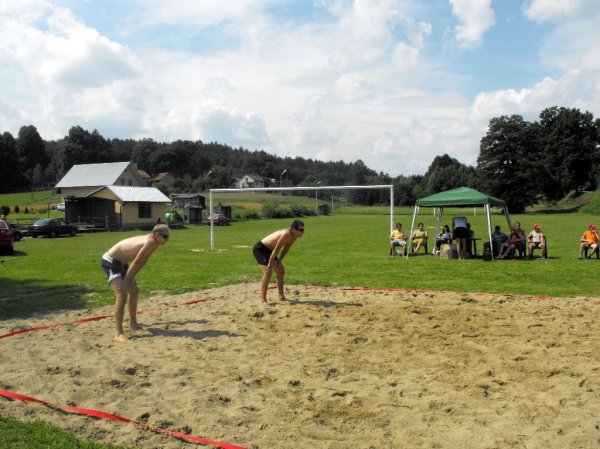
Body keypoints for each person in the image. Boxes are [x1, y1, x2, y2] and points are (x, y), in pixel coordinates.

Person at [101, 224, 170, 341]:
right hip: (111, 261)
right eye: (165, 236)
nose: (167, 239)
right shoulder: (151, 242)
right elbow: (137, 262)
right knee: (121, 295)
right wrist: (127, 279)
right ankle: (118, 333)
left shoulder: (155, 242)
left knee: (134, 291)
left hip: (121, 262)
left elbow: (143, 261)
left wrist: (130, 277)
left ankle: (133, 324)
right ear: (157, 235)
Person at [253, 219, 304, 304]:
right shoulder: (286, 234)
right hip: (261, 249)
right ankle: (263, 299)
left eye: (303, 230)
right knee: (268, 272)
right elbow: (277, 248)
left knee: (280, 271)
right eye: (301, 230)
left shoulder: (295, 236)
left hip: (270, 251)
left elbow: (286, 248)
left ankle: (281, 297)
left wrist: (279, 260)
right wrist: (270, 262)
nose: (303, 232)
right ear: (294, 229)